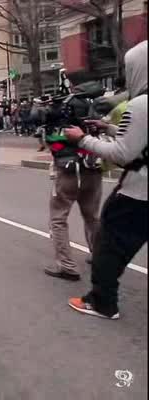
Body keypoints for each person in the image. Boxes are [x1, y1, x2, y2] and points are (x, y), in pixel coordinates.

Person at [64, 40, 147, 320]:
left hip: (139, 194)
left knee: (109, 246)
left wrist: (83, 138)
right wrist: (110, 127)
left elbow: (123, 153)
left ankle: (102, 302)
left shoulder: (140, 106)